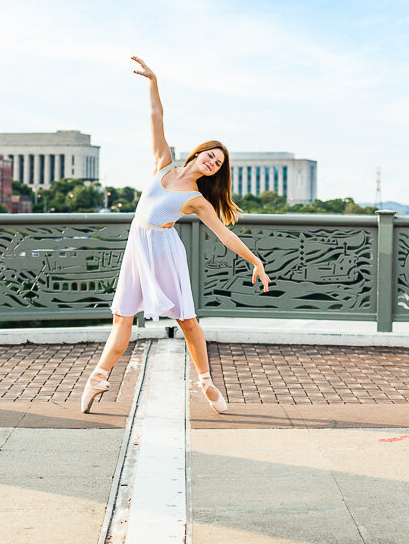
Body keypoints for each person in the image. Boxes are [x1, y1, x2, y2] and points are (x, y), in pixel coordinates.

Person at [81, 54, 272, 416]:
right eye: (210, 156)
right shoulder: (163, 163)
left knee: (186, 320)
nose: (212, 163)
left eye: (217, 163)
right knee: (122, 317)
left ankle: (206, 382)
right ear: (198, 153)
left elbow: (225, 236)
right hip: (137, 247)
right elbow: (156, 118)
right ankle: (98, 377)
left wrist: (255, 260)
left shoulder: (197, 200)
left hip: (164, 252)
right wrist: (154, 82)